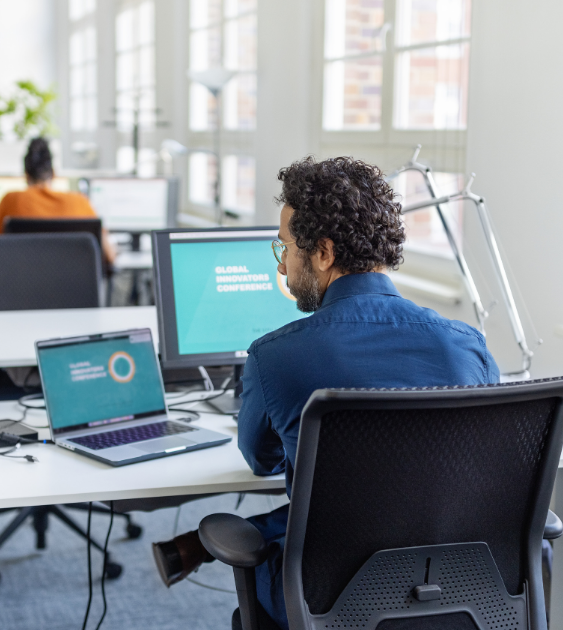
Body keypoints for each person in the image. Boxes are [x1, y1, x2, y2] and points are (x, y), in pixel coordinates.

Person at [150, 156, 500, 629]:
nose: (283, 265)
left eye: (285, 247)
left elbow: (263, 461)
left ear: (323, 252)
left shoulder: (275, 356)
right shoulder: (467, 346)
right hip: (461, 592)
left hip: (327, 599)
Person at [0, 137, 116, 264]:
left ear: (26, 175)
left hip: (22, 277)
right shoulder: (80, 202)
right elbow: (109, 256)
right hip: (72, 277)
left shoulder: (10, 200)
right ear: (54, 174)